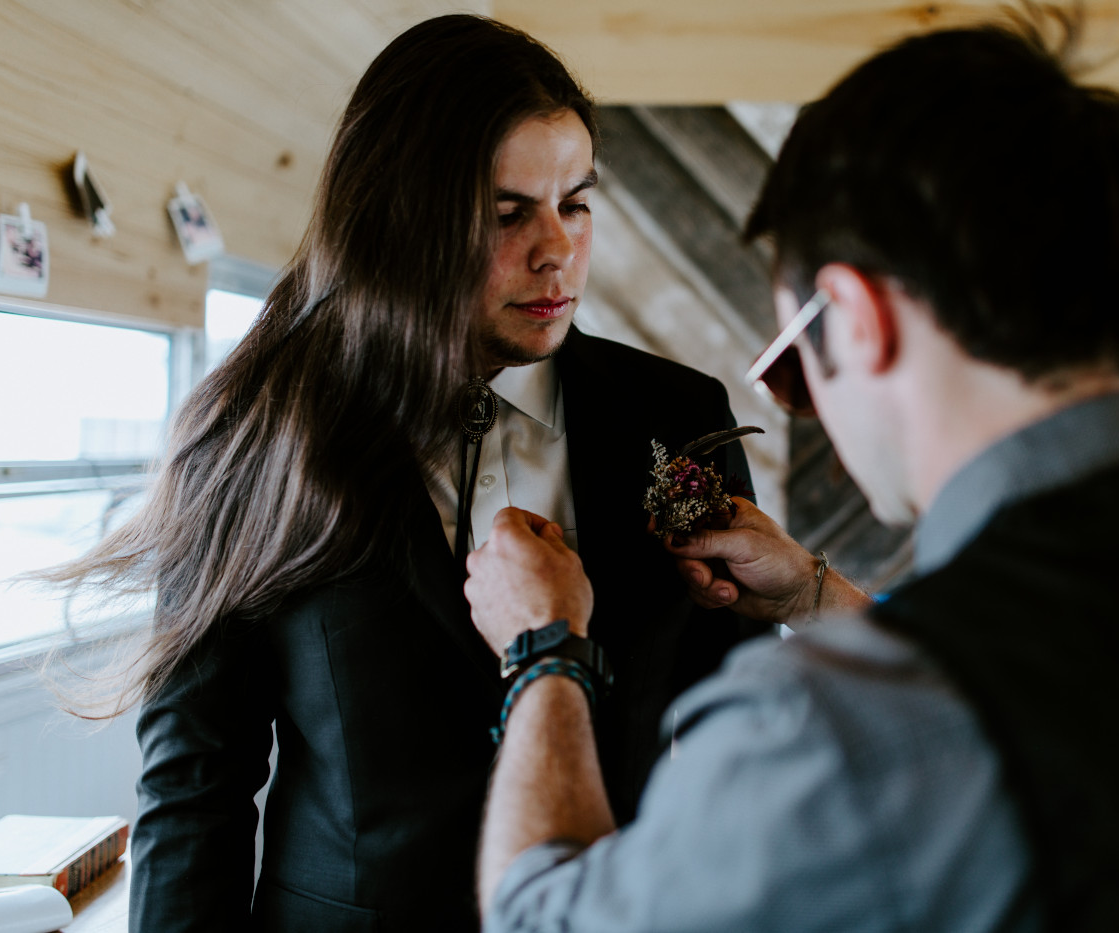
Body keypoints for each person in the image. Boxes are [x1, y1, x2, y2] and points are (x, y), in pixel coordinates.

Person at [463, 9, 1119, 932]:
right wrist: (817, 595)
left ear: (857, 320)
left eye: (796, 359)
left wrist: (546, 651)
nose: (805, 395)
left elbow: (545, 920)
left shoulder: (834, 727)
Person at [39, 14, 764, 932]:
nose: (557, 249)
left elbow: (736, 724)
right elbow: (198, 782)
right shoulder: (253, 427)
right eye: (507, 212)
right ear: (398, 213)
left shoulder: (678, 417)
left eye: (575, 201)